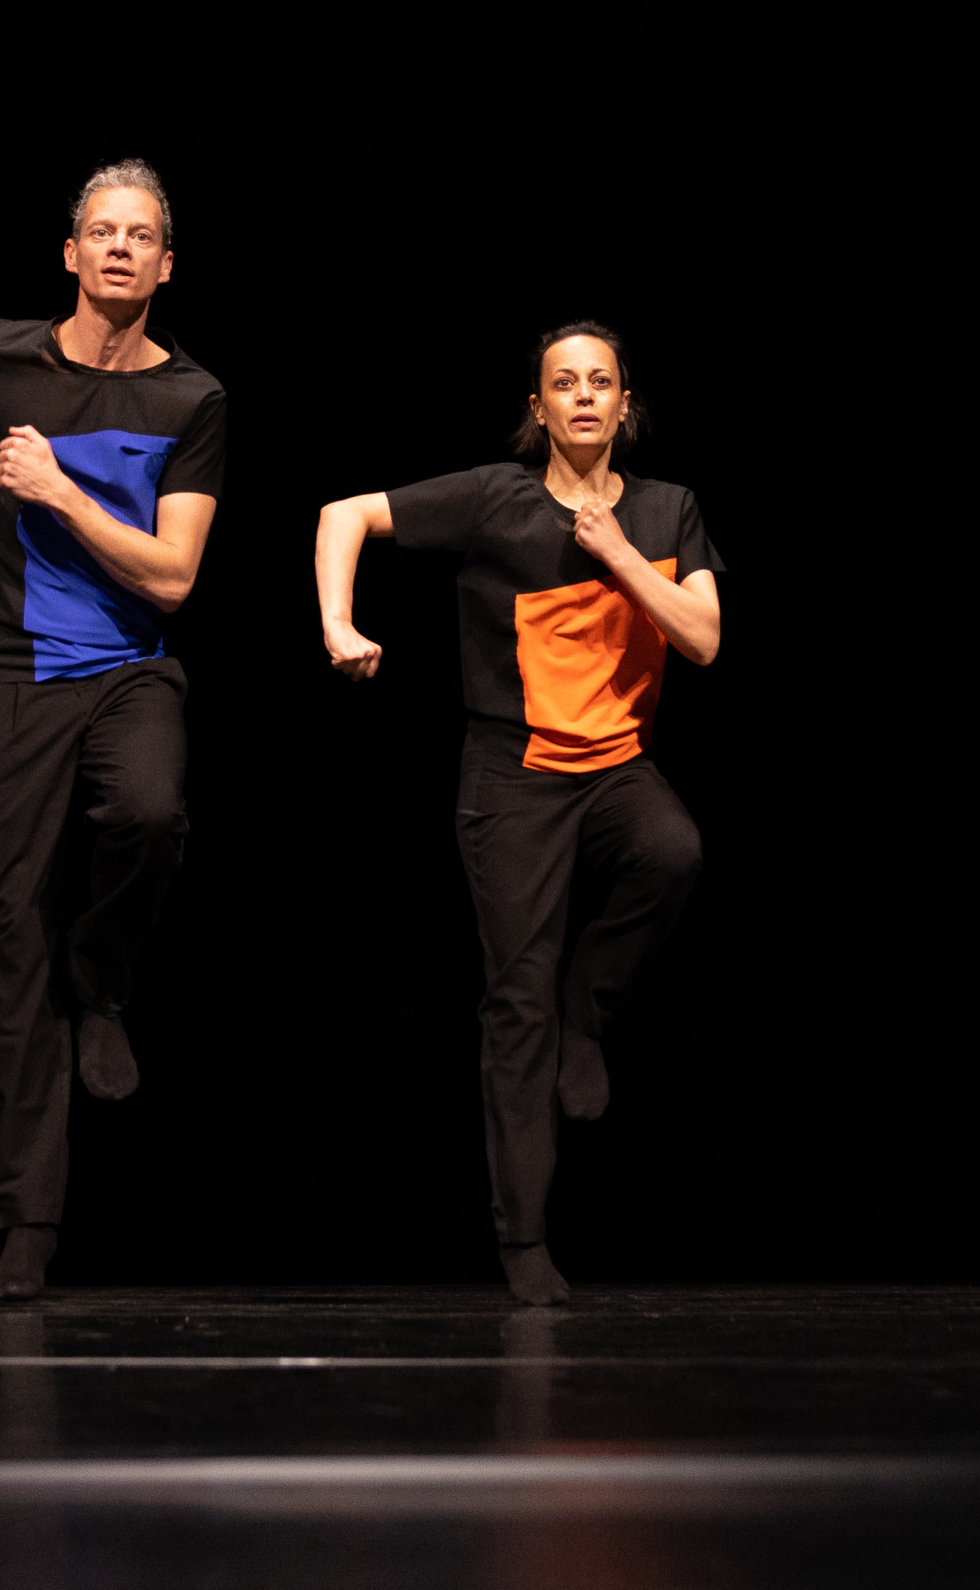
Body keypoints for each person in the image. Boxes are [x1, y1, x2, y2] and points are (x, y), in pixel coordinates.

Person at [0, 160, 225, 1299]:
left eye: (141, 235)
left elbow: (174, 577)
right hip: (8, 669)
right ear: (69, 254)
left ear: (166, 265)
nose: (118, 248)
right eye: (100, 232)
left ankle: (100, 974)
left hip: (126, 667)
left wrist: (60, 490)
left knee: (149, 814)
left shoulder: (193, 399)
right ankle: (27, 1222)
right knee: (9, 934)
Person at [315, 322, 723, 1305]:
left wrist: (619, 553)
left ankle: (591, 1008)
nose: (583, 396)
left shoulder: (668, 509)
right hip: (514, 774)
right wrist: (337, 621)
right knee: (516, 998)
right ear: (538, 409)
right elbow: (342, 514)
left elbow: (704, 639)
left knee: (673, 851)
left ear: (625, 405)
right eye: (563, 383)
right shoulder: (494, 496)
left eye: (600, 382)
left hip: (616, 764)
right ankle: (525, 1236)